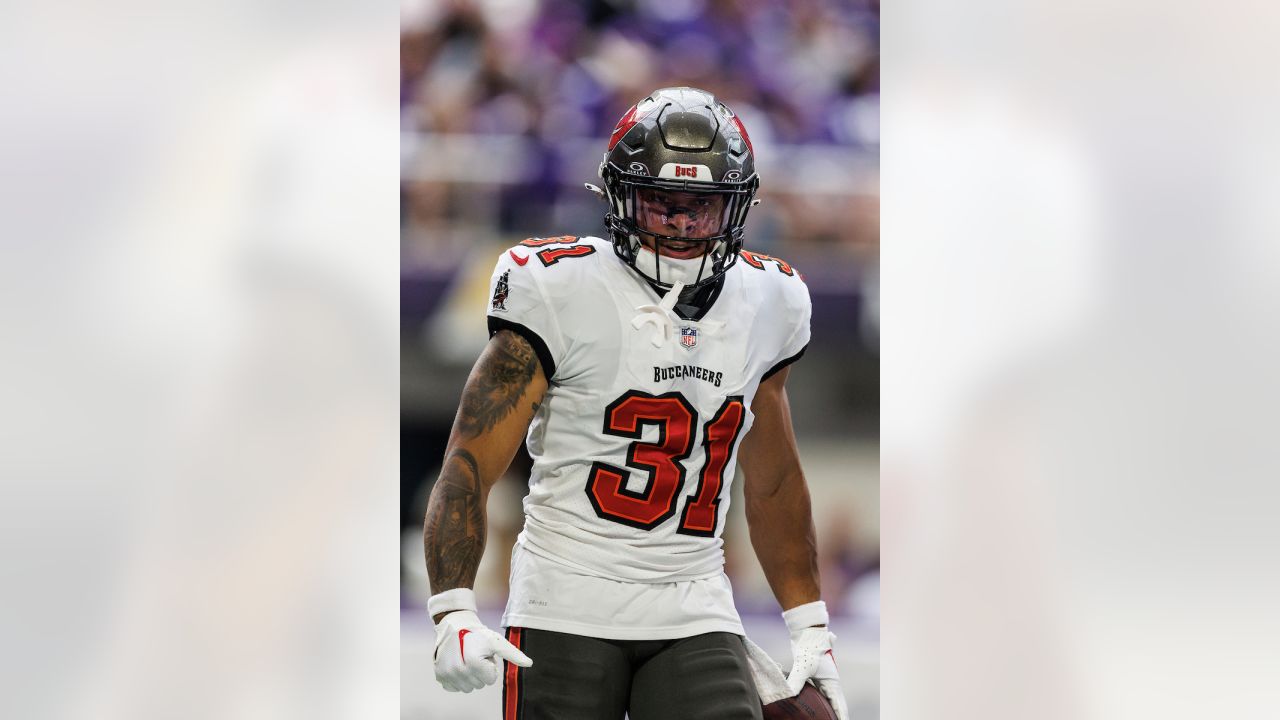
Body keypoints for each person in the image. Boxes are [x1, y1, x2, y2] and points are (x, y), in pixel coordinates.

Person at [422, 86, 848, 720]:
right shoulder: (559, 286)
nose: (679, 224)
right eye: (661, 203)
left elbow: (774, 481)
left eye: (699, 208)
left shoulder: (770, 301)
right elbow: (469, 462)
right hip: (565, 598)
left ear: (735, 207)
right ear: (621, 198)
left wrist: (810, 624)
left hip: (693, 600)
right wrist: (452, 607)